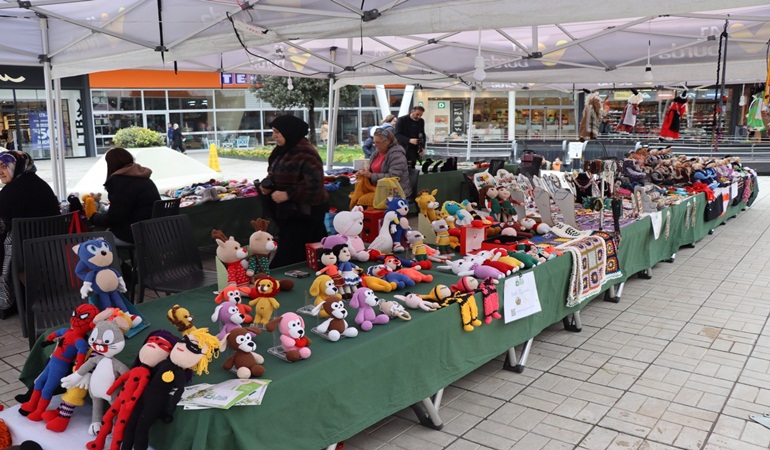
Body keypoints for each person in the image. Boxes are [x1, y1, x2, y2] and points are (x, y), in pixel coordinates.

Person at [259, 115, 328, 269]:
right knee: (302, 257)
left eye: (277, 132)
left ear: (288, 131)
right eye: (273, 131)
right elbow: (276, 173)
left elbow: (315, 184)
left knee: (291, 257)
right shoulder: (283, 151)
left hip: (305, 216)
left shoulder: (306, 153)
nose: (274, 136)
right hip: (290, 215)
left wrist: (288, 194)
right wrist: (269, 185)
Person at [0, 150, 60, 318]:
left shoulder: (11, 191)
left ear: (17, 165)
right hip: (50, 250)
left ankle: (7, 303)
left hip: (22, 254)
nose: (0, 172)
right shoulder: (41, 185)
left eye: (4, 166)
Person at [90, 147, 160, 245]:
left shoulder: (121, 182)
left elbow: (114, 218)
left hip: (132, 234)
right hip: (152, 231)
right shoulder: (144, 179)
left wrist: (93, 217)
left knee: (91, 243)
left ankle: (118, 261)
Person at [349, 127, 411, 209]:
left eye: (378, 142)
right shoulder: (377, 153)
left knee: (362, 200)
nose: (375, 146)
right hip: (377, 188)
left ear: (388, 141)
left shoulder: (397, 154)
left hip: (394, 191)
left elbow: (394, 177)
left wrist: (371, 175)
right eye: (374, 143)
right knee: (356, 196)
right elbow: (371, 170)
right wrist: (364, 172)